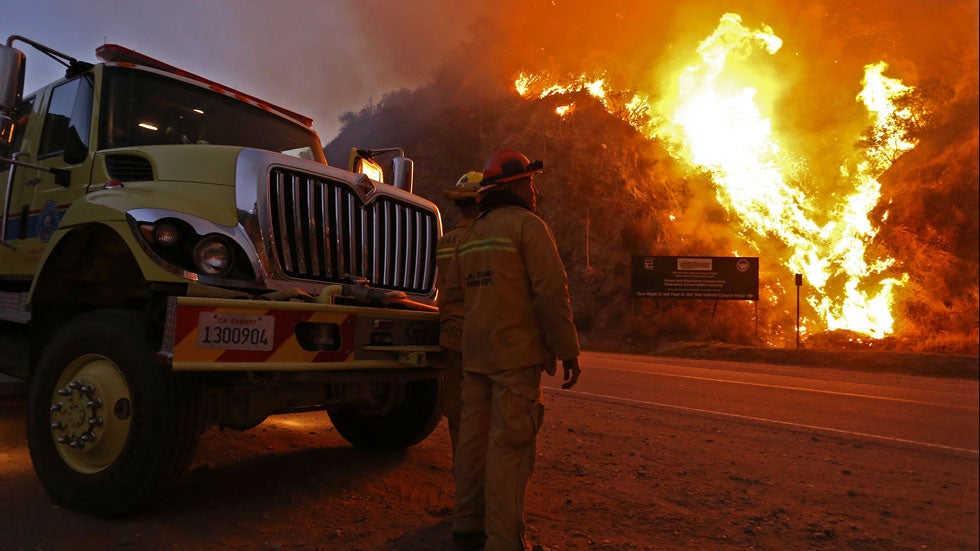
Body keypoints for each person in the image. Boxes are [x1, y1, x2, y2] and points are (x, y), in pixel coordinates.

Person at [439, 149, 582, 551]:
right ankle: (503, 541)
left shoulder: (470, 235)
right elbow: (551, 293)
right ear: (512, 186)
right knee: (510, 446)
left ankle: (467, 527)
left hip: (476, 357)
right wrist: (567, 348)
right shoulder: (527, 227)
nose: (534, 191)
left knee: (472, 442)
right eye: (529, 183)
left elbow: (457, 296)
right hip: (513, 357)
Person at [436, 170, 485, 458]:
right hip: (478, 335)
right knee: (480, 411)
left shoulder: (445, 241)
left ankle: (462, 471)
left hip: (450, 334)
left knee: (457, 409)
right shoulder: (481, 241)